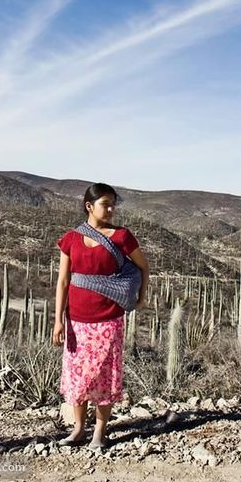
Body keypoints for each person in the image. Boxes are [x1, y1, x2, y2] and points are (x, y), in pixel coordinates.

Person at [52, 182, 150, 450]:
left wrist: (141, 295)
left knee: (105, 377)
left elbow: (143, 267)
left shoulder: (122, 237)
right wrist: (58, 319)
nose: (111, 209)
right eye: (105, 204)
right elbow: (62, 282)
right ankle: (78, 429)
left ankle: (99, 433)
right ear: (89, 206)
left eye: (113, 204)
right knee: (78, 377)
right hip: (76, 321)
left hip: (109, 319)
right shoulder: (71, 239)